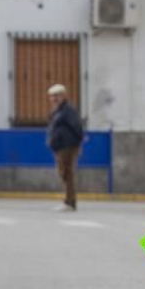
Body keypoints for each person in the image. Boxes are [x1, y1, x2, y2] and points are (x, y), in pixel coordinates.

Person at [46, 83, 84, 212]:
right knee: (64, 173)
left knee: (67, 173)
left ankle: (70, 202)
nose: (54, 98)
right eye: (52, 96)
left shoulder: (67, 110)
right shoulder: (58, 111)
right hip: (61, 147)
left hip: (68, 146)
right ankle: (68, 200)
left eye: (57, 96)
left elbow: (77, 127)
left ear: (63, 96)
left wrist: (75, 144)